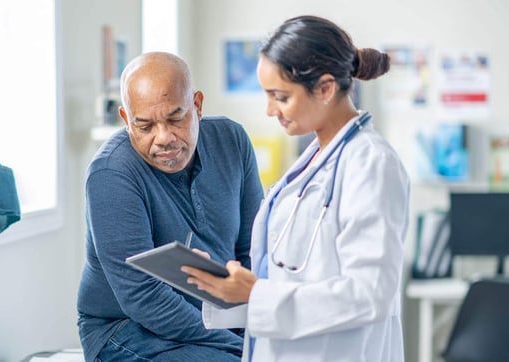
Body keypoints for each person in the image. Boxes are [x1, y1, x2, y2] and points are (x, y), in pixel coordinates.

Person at [182, 15, 410, 361]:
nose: (270, 110)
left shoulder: (371, 164)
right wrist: (229, 288)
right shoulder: (312, 160)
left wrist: (257, 294)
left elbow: (369, 293)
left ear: (325, 88)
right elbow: (287, 279)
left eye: (281, 97)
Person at [77, 52, 264, 362]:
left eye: (176, 119)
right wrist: (238, 348)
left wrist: (257, 330)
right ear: (126, 120)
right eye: (145, 126)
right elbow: (142, 295)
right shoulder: (112, 174)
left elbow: (252, 252)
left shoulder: (232, 141)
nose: (163, 138)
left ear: (198, 105)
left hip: (217, 321)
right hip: (127, 330)